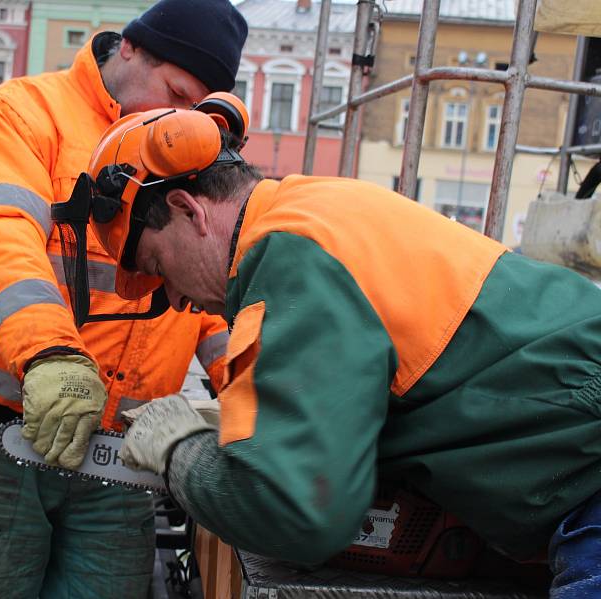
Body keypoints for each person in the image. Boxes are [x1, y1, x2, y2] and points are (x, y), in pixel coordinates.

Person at [62, 107, 601, 598]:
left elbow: (296, 510)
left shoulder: (290, 254)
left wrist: (182, 452)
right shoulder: (311, 211)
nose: (174, 299)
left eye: (158, 267)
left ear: (188, 210)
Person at [0, 1, 248, 597]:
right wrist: (50, 354)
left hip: (122, 453)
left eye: (195, 105)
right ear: (129, 49)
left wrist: (253, 394)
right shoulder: (22, 115)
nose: (178, 116)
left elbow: (203, 302)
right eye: (173, 91)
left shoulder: (184, 145)